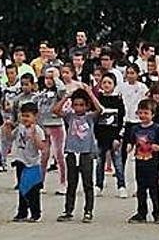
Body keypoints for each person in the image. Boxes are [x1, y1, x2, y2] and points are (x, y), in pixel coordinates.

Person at [53, 86, 103, 223]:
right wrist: (66, 97)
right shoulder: (70, 116)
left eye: (81, 105)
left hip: (86, 153)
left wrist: (89, 93)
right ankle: (68, 210)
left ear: (86, 106)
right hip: (71, 152)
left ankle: (88, 210)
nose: (78, 108)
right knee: (72, 183)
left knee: (88, 183)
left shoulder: (90, 117)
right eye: (76, 105)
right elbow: (55, 110)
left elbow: (100, 109)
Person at [125, 99, 159, 224]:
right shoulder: (135, 128)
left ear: (152, 114)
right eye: (141, 113)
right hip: (139, 162)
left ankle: (157, 213)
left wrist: (158, 148)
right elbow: (131, 141)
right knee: (141, 189)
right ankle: (141, 212)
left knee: (154, 188)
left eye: (146, 113)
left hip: (152, 163)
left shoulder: (157, 128)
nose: (143, 115)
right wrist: (129, 147)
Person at [5, 102, 47, 222]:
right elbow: (10, 138)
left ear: (35, 116)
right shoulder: (19, 127)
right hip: (20, 161)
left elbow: (41, 147)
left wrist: (34, 136)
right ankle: (22, 212)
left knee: (33, 190)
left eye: (28, 116)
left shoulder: (38, 130)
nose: (25, 119)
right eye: (23, 116)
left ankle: (35, 213)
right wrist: (7, 128)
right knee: (22, 188)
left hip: (32, 163)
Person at [94, 73, 127, 198]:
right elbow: (95, 118)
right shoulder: (98, 99)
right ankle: (98, 185)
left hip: (114, 137)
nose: (107, 85)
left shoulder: (118, 100)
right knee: (99, 163)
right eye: (104, 83)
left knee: (118, 163)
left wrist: (119, 137)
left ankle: (121, 186)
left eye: (109, 83)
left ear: (114, 85)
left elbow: (122, 120)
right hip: (100, 136)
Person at [35, 70, 67, 195]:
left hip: (56, 125)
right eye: (47, 78)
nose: (48, 81)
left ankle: (63, 183)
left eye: (51, 78)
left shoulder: (58, 93)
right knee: (43, 156)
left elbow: (62, 90)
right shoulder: (42, 93)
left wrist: (57, 78)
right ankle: (40, 182)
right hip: (43, 125)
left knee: (59, 155)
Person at [119, 64, 149, 188]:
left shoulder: (142, 87)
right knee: (123, 153)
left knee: (140, 153)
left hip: (138, 122)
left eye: (133, 73)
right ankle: (121, 183)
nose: (130, 75)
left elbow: (147, 100)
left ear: (137, 74)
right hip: (126, 121)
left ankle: (140, 185)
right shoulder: (121, 87)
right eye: (128, 73)